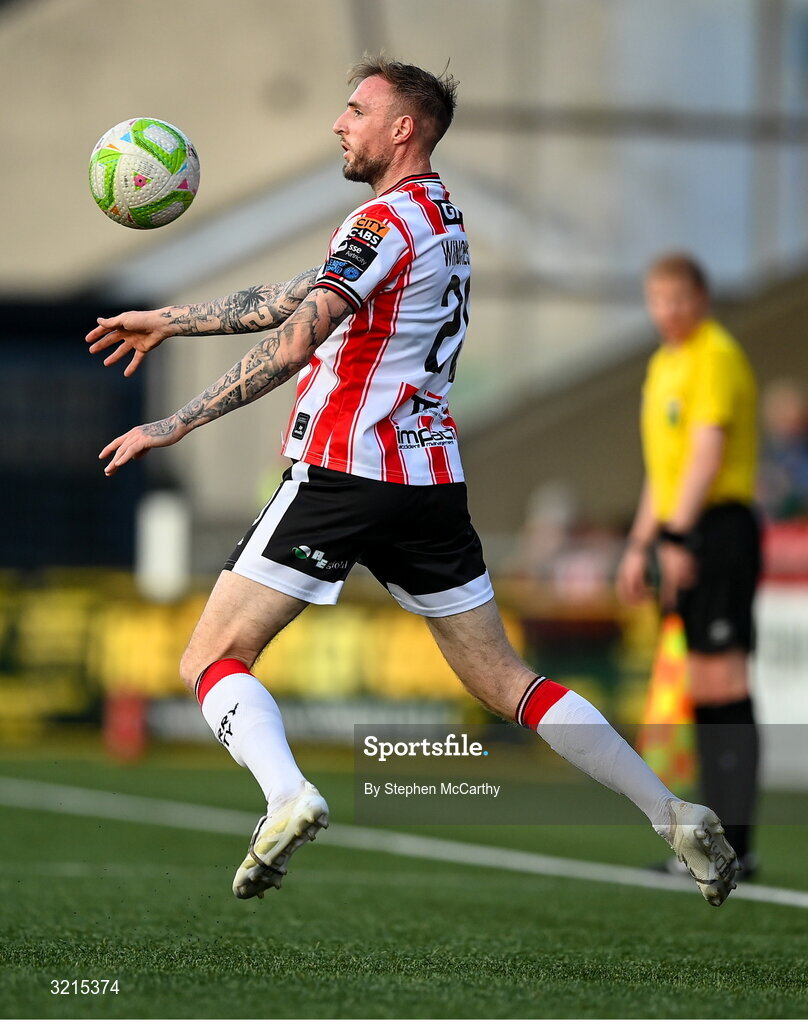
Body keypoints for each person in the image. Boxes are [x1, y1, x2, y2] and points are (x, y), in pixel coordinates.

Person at [87, 59, 737, 906]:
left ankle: (288, 795)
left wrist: (171, 423)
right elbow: (295, 297)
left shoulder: (379, 220)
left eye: (356, 110)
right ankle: (673, 813)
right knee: (508, 680)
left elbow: (293, 344)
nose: (338, 123)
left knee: (211, 656)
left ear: (404, 129)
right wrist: (172, 321)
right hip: (426, 480)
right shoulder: (443, 219)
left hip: (343, 469)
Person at [617, 252, 760, 879]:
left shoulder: (715, 356)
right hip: (684, 530)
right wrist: (640, 543)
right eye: (658, 299)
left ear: (700, 298)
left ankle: (740, 845)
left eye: (678, 299)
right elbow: (663, 471)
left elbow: (705, 456)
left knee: (723, 682)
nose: (668, 311)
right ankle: (717, 844)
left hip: (720, 529)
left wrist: (676, 537)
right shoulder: (663, 364)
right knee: (703, 688)